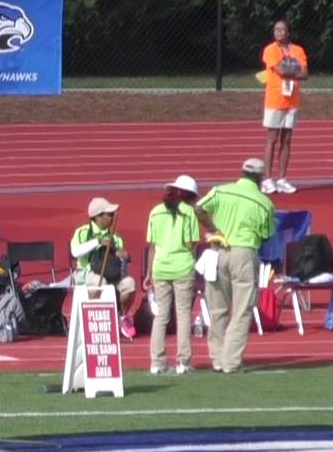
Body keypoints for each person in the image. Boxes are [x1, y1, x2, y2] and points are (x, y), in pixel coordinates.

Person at [194, 158, 276, 374]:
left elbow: (199, 208)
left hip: (217, 251)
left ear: (241, 172)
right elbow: (267, 235)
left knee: (217, 308)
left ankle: (218, 359)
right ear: (260, 177)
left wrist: (214, 228)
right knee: (242, 309)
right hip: (244, 253)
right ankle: (231, 361)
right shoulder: (264, 202)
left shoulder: (221, 191)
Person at [144, 175, 201, 375]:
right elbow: (190, 243)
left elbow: (152, 245)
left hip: (160, 268)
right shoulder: (189, 213)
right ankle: (183, 362)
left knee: (161, 316)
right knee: (183, 315)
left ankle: (157, 362)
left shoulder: (155, 212)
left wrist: (148, 273)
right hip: (183, 267)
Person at [71, 197, 138, 338]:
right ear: (98, 217)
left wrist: (125, 257)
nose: (113, 217)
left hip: (111, 273)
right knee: (100, 283)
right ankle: (98, 321)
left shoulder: (116, 237)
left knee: (130, 284)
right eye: (109, 214)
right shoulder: (83, 232)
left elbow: (123, 265)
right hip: (86, 273)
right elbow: (75, 251)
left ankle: (122, 317)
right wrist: (98, 242)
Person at [260, 20, 309, 194]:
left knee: (287, 139)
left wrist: (292, 71)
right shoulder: (270, 50)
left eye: (282, 29)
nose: (278, 32)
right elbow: (279, 70)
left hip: (292, 100)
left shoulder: (298, 50)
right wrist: (295, 70)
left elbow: (305, 73)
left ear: (288, 32)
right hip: (275, 99)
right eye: (276, 29)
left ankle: (282, 178)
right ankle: (267, 179)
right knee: (272, 139)